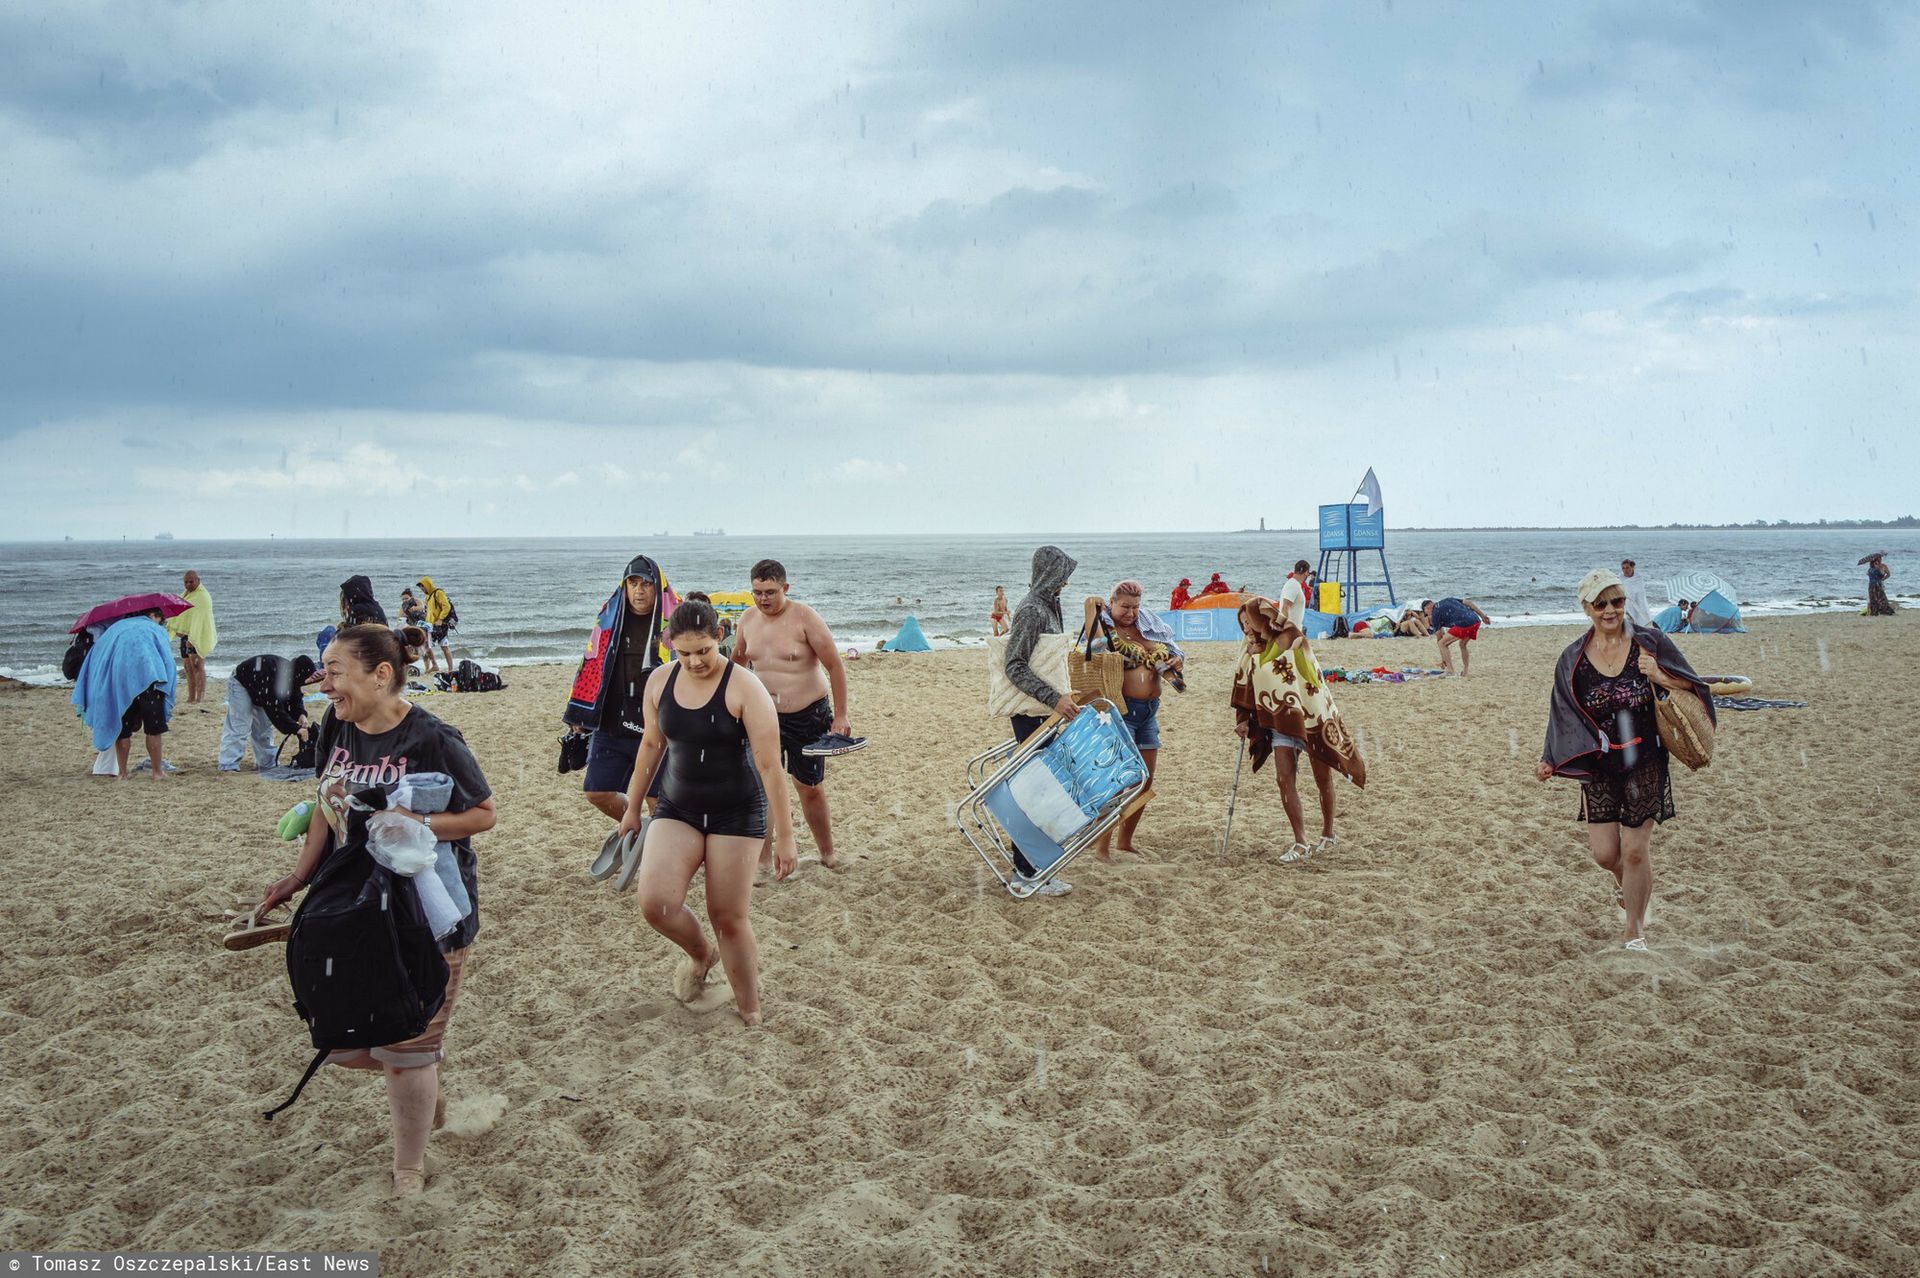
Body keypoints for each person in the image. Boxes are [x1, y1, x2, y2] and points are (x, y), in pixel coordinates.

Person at [257, 624, 496, 1196]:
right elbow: (325, 802)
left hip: (431, 913)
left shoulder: (433, 737)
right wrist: (297, 876)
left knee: (406, 1046)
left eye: (335, 671)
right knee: (340, 1041)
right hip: (354, 908)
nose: (325, 683)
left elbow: (484, 813)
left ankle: (408, 1167)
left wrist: (421, 823)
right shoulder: (337, 727)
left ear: (380, 674)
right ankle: (423, 1074)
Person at [615, 600, 797, 1026]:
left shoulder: (745, 688)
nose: (695, 661)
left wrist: (785, 835)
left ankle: (750, 1011)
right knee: (656, 904)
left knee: (728, 917)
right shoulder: (659, 681)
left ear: (721, 637)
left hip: (737, 811)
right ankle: (701, 953)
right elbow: (651, 746)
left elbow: (771, 767)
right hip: (678, 806)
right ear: (669, 647)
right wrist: (631, 806)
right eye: (684, 653)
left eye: (703, 651)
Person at [1535, 570, 1713, 951]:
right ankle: (1628, 883)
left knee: (1634, 851)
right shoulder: (1574, 657)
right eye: (1601, 604)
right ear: (1586, 609)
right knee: (1605, 854)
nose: (1611, 610)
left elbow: (1694, 684)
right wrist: (1550, 757)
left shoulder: (1649, 643)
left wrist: (1660, 675)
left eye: (1617, 601)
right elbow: (1563, 710)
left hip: (1644, 758)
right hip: (1601, 763)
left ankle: (1634, 932)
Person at [732, 559, 857, 872]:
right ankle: (762, 859)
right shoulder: (747, 620)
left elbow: (835, 666)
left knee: (809, 787)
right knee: (762, 787)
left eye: (771, 592)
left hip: (808, 713)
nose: (764, 599)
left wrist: (840, 715)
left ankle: (827, 853)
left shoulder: (804, 617)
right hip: (763, 716)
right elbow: (736, 667)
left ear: (785, 588)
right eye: (757, 592)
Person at [1231, 598, 1367, 863]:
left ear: (1262, 620)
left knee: (1322, 778)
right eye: (1242, 624)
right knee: (1284, 779)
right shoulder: (1250, 650)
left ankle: (1328, 833)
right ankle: (1301, 841)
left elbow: (1311, 679)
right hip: (1280, 720)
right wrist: (1243, 718)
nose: (1246, 629)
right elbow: (1245, 686)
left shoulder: (1294, 639)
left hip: (1310, 717)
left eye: (1249, 622)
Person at [565, 555, 678, 822]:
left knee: (657, 799)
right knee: (597, 791)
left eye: (646, 584)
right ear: (624, 586)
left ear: (658, 586)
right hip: (613, 724)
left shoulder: (675, 621)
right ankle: (638, 826)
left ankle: (656, 848)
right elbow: (590, 664)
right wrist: (580, 716)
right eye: (633, 583)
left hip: (659, 727)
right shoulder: (609, 617)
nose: (639, 590)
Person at [1078, 581, 1183, 861]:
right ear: (1112, 601)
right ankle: (1102, 848)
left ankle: (1125, 842)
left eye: (1135, 607)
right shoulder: (1103, 626)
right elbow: (1095, 649)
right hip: (1120, 712)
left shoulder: (1148, 623)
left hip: (1150, 710)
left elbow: (1175, 651)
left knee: (1144, 782)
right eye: (1125, 606)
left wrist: (1175, 661)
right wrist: (1091, 607)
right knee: (1116, 782)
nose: (1131, 613)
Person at [1000, 545, 1081, 895]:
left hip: (1045, 711)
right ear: (1049, 574)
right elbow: (1014, 665)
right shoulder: (1033, 610)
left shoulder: (1048, 605)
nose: (1065, 582)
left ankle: (1037, 869)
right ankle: (1025, 874)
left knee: (1044, 791)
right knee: (1034, 793)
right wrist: (1054, 698)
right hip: (1032, 714)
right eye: (1062, 575)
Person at [72, 609, 177, 780]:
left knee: (123, 730)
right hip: (150, 683)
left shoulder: (116, 628)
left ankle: (122, 773)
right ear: (153, 615)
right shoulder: (154, 629)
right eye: (160, 619)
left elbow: (99, 656)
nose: (161, 622)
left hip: (120, 686)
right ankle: (157, 772)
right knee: (153, 729)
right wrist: (169, 686)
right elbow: (167, 660)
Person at [220, 652, 320, 772]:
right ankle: (228, 764)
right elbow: (275, 711)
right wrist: (296, 728)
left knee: (263, 728)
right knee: (240, 725)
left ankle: (266, 762)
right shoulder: (274, 675)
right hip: (241, 682)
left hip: (261, 689)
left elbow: (295, 696)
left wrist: (301, 715)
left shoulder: (292, 675)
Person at [167, 569, 218, 704]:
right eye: (186, 582)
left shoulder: (202, 596)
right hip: (186, 636)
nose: (188, 584)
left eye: (191, 581)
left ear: (198, 581)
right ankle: (191, 697)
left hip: (197, 636)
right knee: (188, 667)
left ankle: (199, 698)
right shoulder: (185, 595)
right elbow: (183, 614)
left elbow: (200, 619)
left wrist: (193, 638)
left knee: (197, 666)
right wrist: (178, 628)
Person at [1429, 596, 1491, 676]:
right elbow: (1469, 603)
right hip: (1475, 620)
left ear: (1428, 607)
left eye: (1426, 612)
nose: (1428, 615)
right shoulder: (1448, 599)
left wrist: (1444, 659)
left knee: (1441, 643)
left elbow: (1439, 638)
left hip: (1464, 623)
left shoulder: (1435, 613)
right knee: (1462, 644)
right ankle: (1465, 671)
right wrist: (1482, 616)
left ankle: (1450, 671)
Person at [417, 576, 457, 672]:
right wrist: (425, 622)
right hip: (431, 625)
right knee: (426, 646)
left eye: (423, 587)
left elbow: (446, 607)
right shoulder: (427, 596)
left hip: (441, 625)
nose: (422, 589)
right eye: (421, 587)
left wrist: (440, 619)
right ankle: (434, 665)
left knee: (444, 647)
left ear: (428, 585)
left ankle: (450, 669)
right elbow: (429, 611)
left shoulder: (438, 593)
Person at [1278, 560, 1312, 630]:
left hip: (1294, 630)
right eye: (1308, 573)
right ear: (1306, 572)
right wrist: (1279, 628)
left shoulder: (1295, 584)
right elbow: (1285, 607)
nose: (1308, 575)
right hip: (1290, 632)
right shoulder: (1293, 585)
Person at [1620, 559, 1653, 628]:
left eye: (1627, 567)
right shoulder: (1619, 578)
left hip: (1639, 603)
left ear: (1633, 567)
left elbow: (1641, 593)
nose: (1625, 570)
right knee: (1628, 625)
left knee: (1640, 623)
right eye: (1623, 568)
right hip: (1626, 605)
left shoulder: (1638, 577)